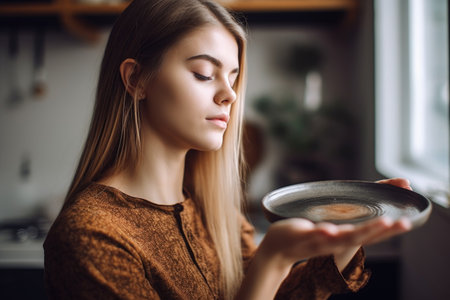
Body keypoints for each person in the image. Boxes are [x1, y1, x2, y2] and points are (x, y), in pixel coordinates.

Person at [43, 0, 412, 299]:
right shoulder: (91, 235)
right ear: (136, 78)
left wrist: (348, 235)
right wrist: (273, 259)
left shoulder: (212, 210)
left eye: (234, 78)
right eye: (204, 73)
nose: (230, 95)